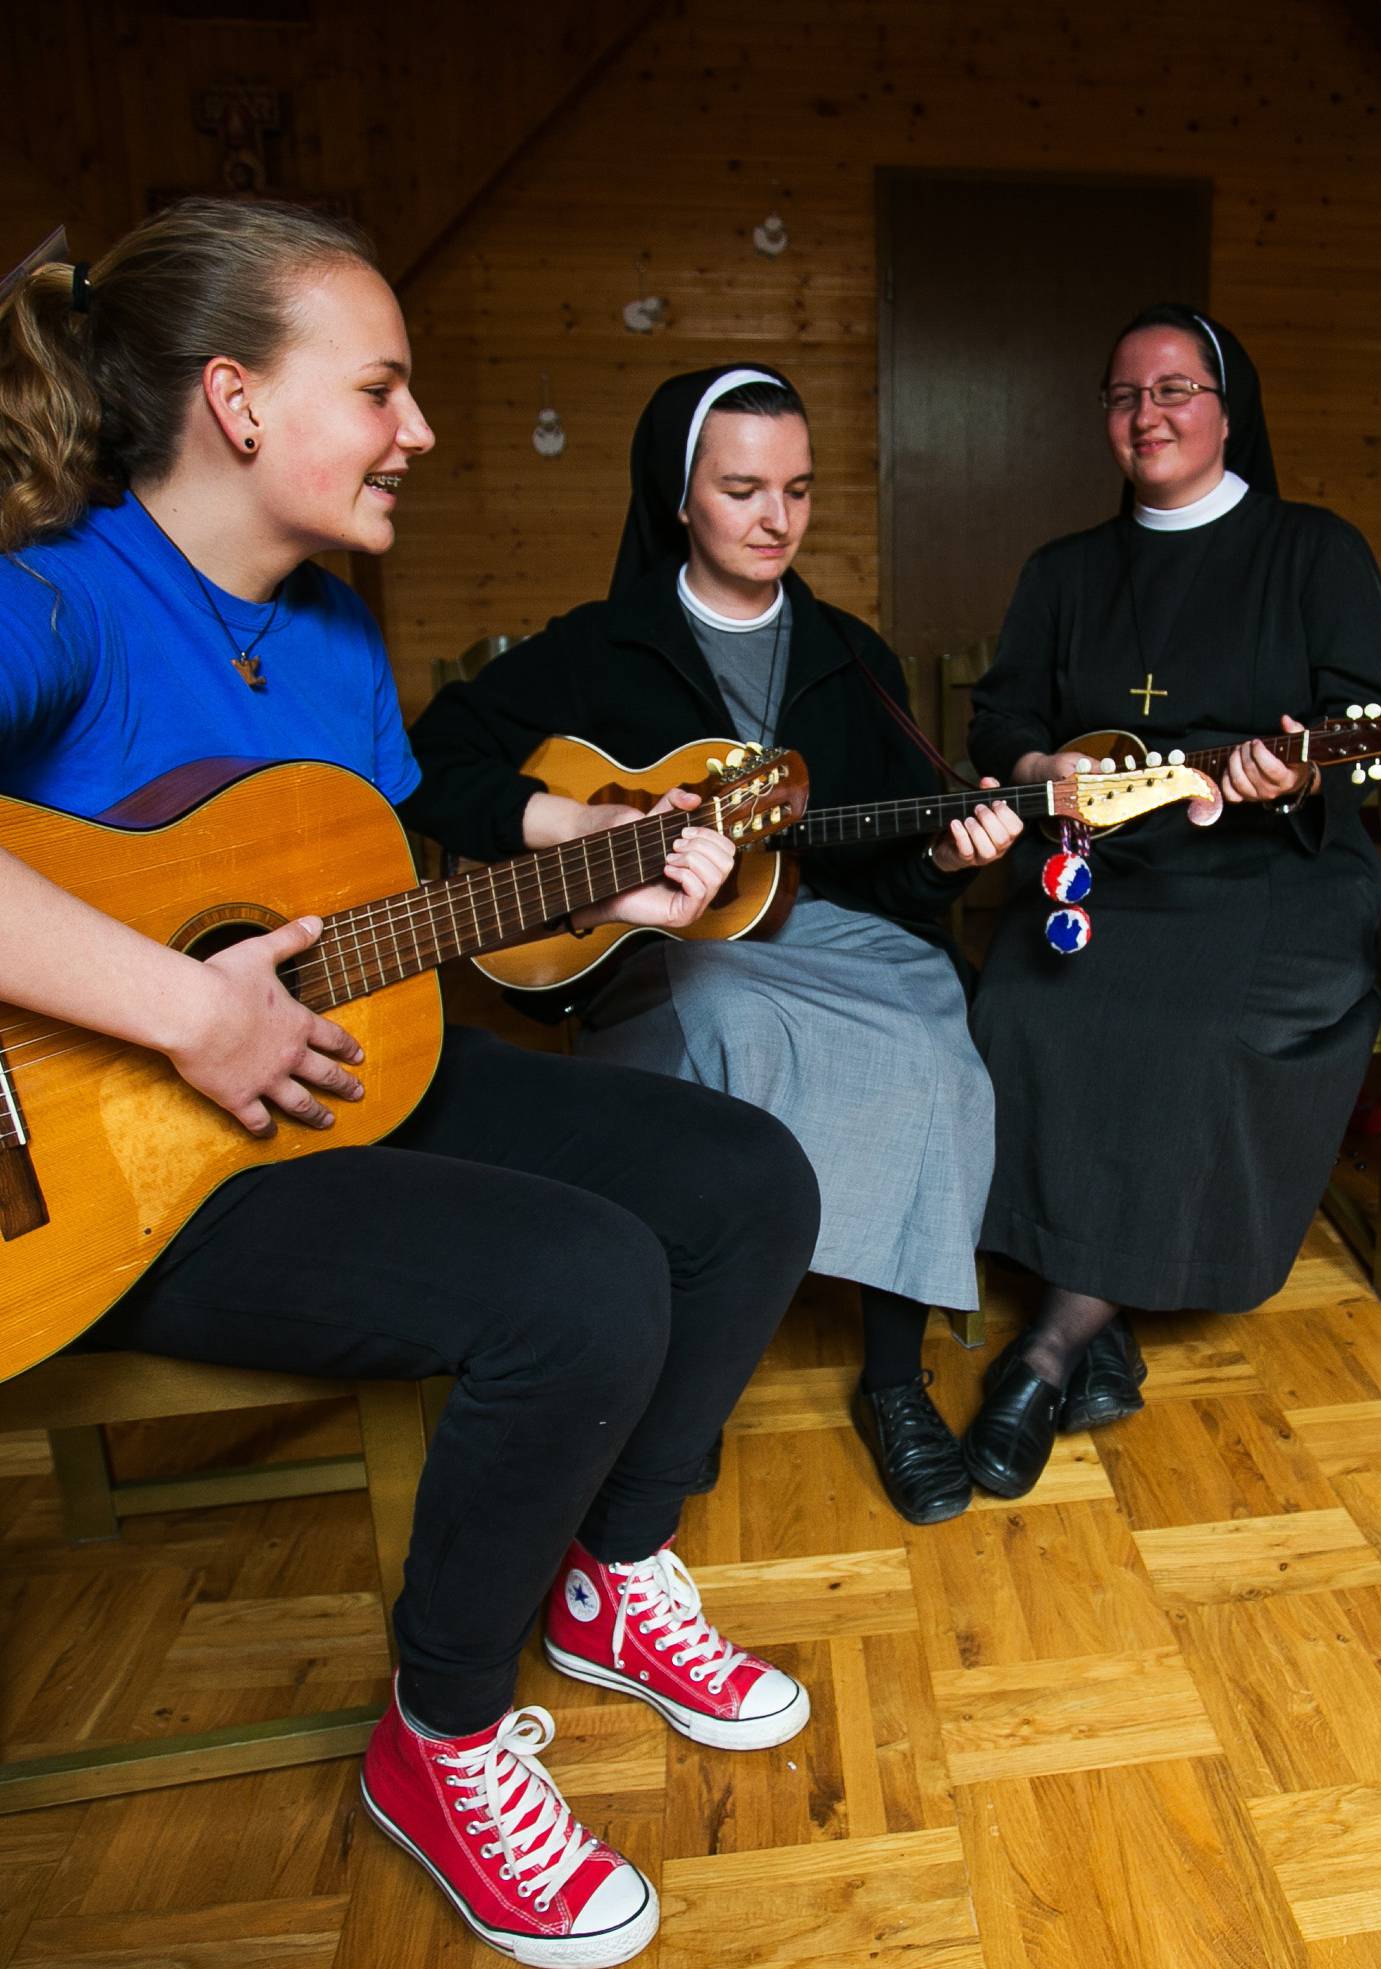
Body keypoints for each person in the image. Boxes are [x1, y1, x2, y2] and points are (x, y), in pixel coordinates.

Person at [0, 200, 822, 1967]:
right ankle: (437, 1737)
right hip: (110, 1170)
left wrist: (590, 850)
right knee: (581, 1281)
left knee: (746, 1178)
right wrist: (173, 1002)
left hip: (338, 1071)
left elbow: (385, 870)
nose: (418, 429)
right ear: (235, 400)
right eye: (380, 388)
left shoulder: (334, 638)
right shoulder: (54, 596)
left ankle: (609, 1573)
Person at [403, 365, 1022, 1527]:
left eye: (795, 488)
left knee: (936, 1046)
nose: (775, 518)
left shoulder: (854, 656)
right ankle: (684, 1384)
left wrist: (946, 858)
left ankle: (895, 1377)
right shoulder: (599, 648)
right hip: (666, 943)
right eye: (742, 488)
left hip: (830, 930)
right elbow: (435, 762)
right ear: (679, 497)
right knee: (730, 1015)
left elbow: (890, 869)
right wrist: (578, 827)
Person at [962, 303, 1381, 1497]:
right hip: (1111, 861)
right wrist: (1042, 768)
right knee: (1023, 1000)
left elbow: (1371, 720)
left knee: (1194, 1027)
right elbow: (998, 719)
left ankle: (1049, 1347)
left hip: (1272, 865)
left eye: (1173, 390)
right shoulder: (1064, 571)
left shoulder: (1313, 549)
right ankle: (1102, 1325)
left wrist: (1289, 766)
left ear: (1227, 408)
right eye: (1122, 396)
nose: (1146, 414)